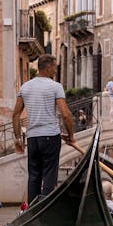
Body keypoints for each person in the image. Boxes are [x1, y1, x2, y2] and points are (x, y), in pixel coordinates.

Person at [12, 54, 75, 205]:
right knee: (49, 176)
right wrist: (71, 135)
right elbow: (65, 114)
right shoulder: (55, 86)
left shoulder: (25, 87)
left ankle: (32, 207)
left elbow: (15, 115)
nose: (55, 70)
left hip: (32, 138)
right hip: (50, 137)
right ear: (48, 67)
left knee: (34, 175)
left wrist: (18, 139)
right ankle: (44, 207)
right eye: (54, 67)